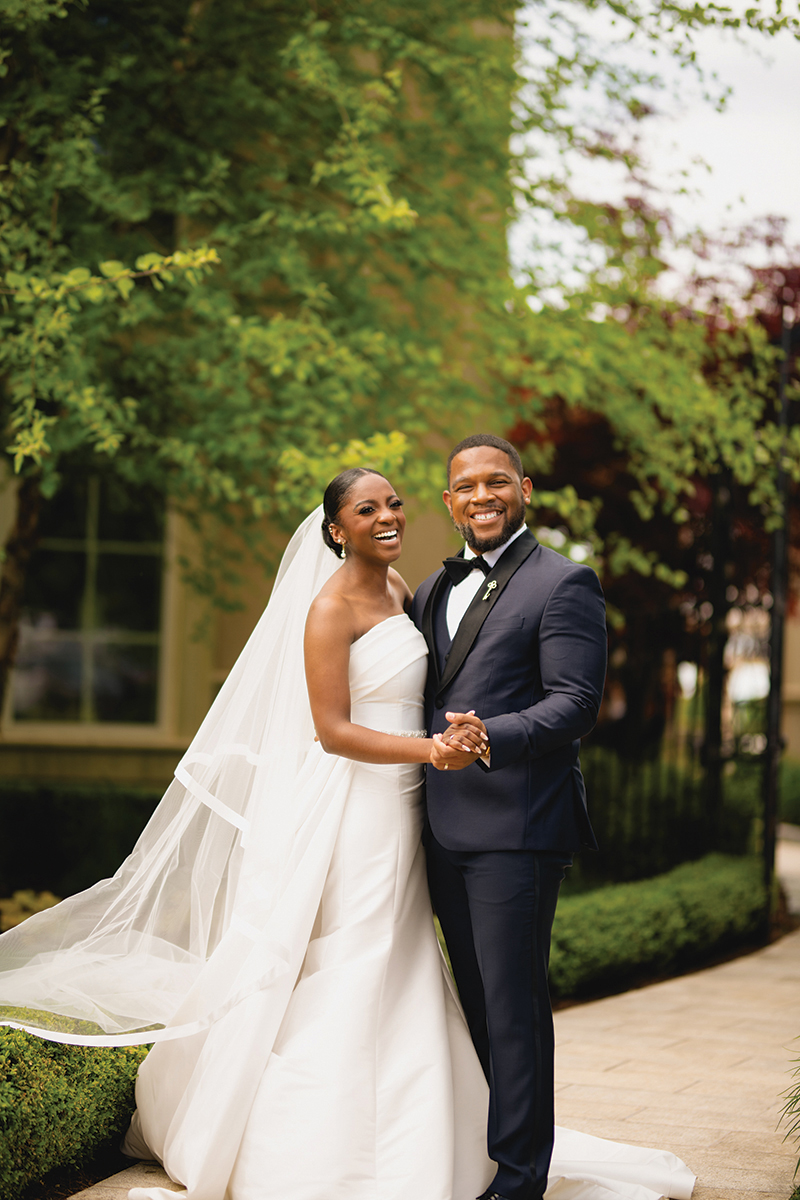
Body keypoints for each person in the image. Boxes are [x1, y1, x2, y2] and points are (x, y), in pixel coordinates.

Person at [0, 466, 695, 1200]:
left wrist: (454, 747)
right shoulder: (330, 608)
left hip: (421, 807)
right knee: (358, 952)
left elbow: (512, 692)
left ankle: (463, 1142)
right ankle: (327, 1147)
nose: (387, 516)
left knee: (409, 957)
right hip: (362, 806)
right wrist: (432, 750)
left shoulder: (407, 590)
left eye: (393, 503)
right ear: (336, 529)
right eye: (367, 509)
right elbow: (332, 730)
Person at [410, 433, 607, 1200]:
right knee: (478, 1008)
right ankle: (487, 1155)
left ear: (525, 491)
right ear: (449, 501)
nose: (482, 496)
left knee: (514, 1009)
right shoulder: (430, 588)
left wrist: (491, 736)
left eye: (497, 482)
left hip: (519, 830)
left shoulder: (565, 582)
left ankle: (521, 1179)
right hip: (440, 828)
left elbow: (575, 702)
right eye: (466, 486)